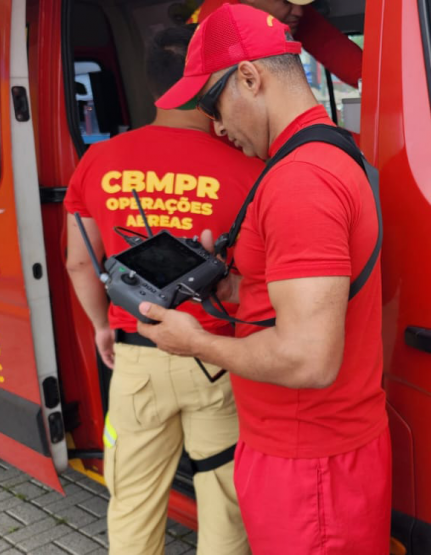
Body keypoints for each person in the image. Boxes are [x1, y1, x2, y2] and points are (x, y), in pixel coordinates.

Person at [138, 5, 391, 553]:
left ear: (250, 78)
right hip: (306, 455)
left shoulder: (301, 181)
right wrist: (234, 290)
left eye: (213, 103)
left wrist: (196, 342)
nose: (217, 127)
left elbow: (308, 358)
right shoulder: (320, 152)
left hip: (310, 469)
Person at [64, 25, 263, 555]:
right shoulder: (250, 165)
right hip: (217, 356)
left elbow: (79, 261)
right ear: (210, 85)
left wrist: (103, 327)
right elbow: (257, 280)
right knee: (224, 499)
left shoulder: (98, 161)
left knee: (132, 501)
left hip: (138, 357)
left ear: (154, 85)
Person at [188, 0, 362, 88]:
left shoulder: (288, 12)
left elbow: (353, 64)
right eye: (286, 1)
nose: (299, 12)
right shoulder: (217, 28)